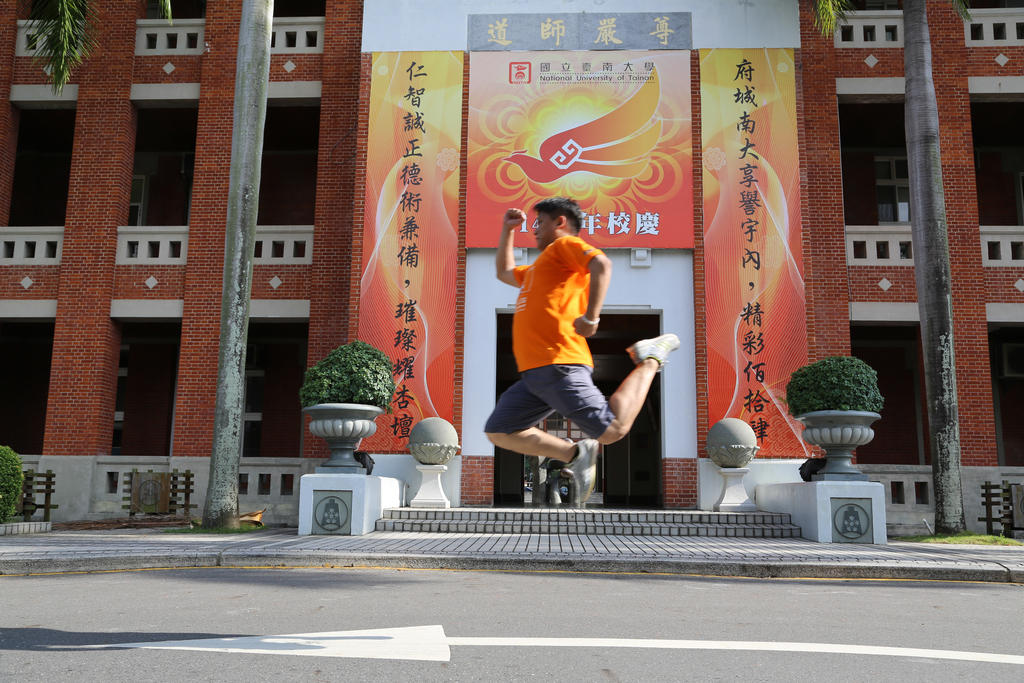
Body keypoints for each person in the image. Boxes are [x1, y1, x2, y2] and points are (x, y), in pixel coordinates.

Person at [484, 197, 680, 503]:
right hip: (534, 376)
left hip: (559, 363)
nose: (534, 229)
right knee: (499, 430)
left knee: (613, 429)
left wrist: (591, 318)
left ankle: (651, 357)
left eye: (540, 222)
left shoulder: (563, 246)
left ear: (560, 222)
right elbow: (504, 271)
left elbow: (602, 264)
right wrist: (508, 230)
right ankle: (576, 452)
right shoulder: (537, 269)